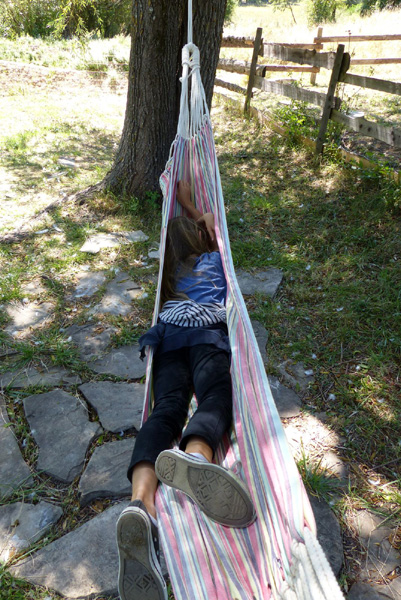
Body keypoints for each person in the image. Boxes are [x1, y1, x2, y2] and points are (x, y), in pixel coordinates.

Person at [116, 181, 256, 600]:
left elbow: (193, 230)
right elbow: (211, 221)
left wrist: (178, 205)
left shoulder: (169, 277)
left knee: (166, 409)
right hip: (207, 335)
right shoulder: (213, 258)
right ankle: (196, 457)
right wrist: (190, 203)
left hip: (169, 338)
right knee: (215, 396)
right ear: (199, 240)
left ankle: (141, 503)